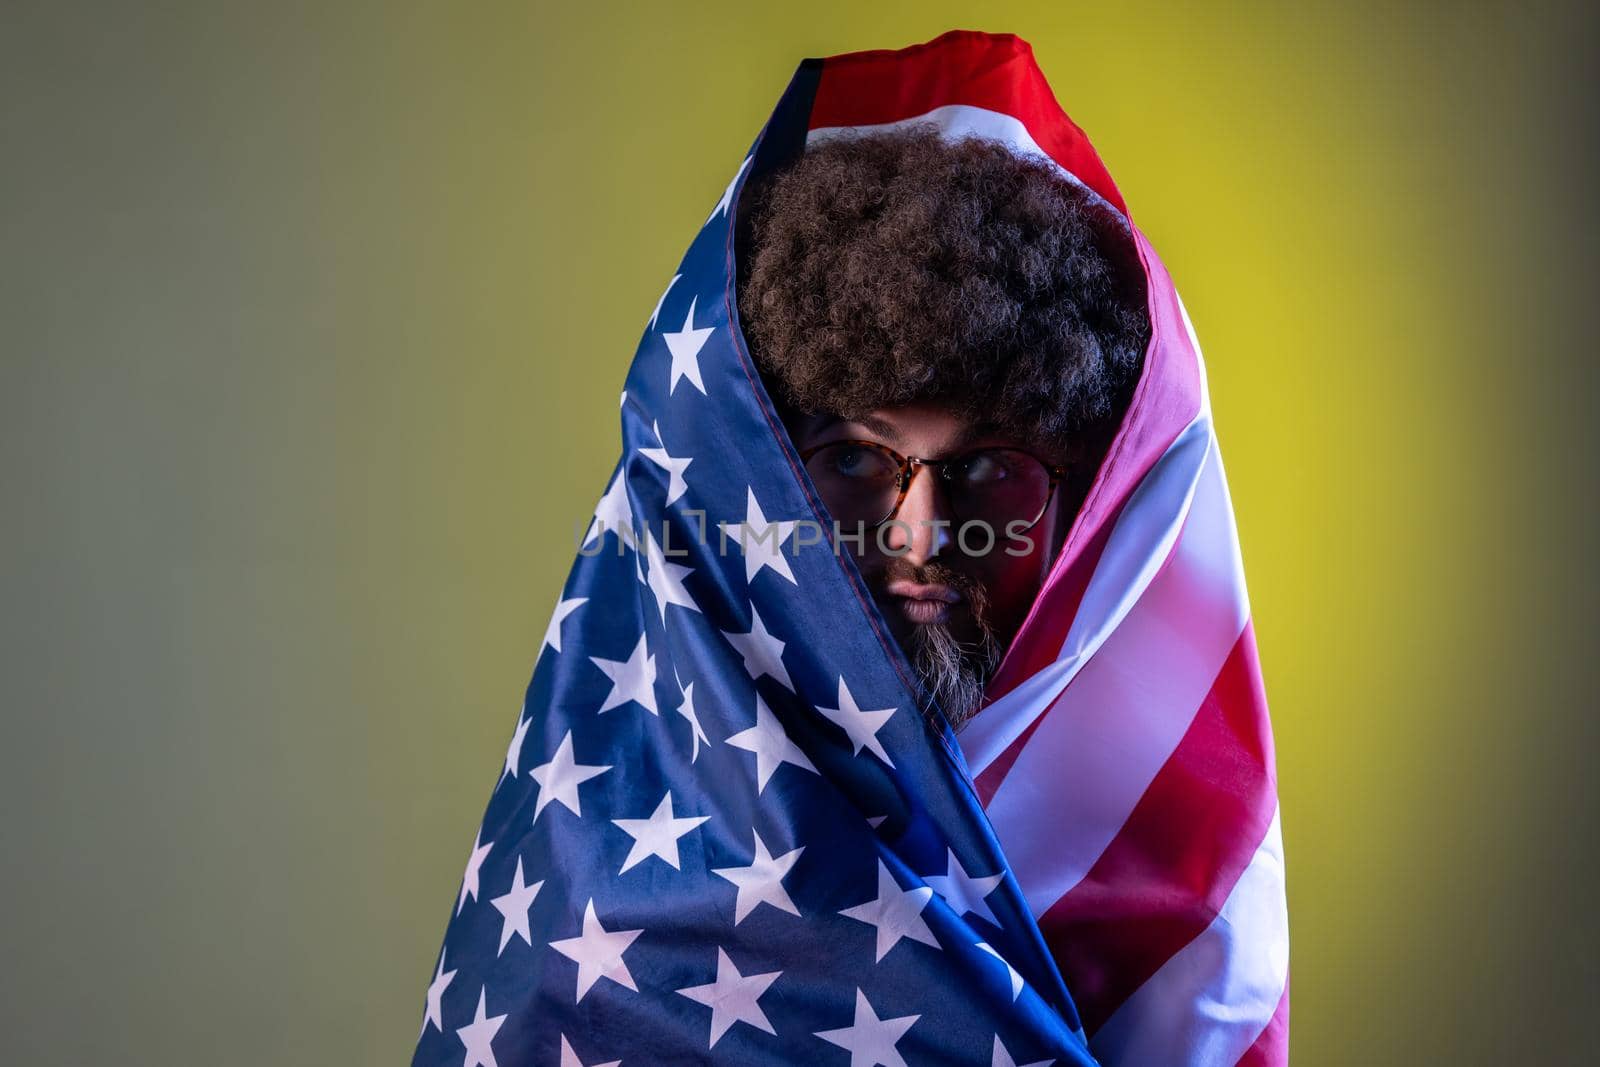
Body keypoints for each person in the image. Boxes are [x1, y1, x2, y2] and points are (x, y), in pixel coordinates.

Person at [735, 126, 1150, 732]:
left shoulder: (1161, 801)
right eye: (855, 459)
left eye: (987, 466)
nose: (924, 539)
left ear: (1082, 492)